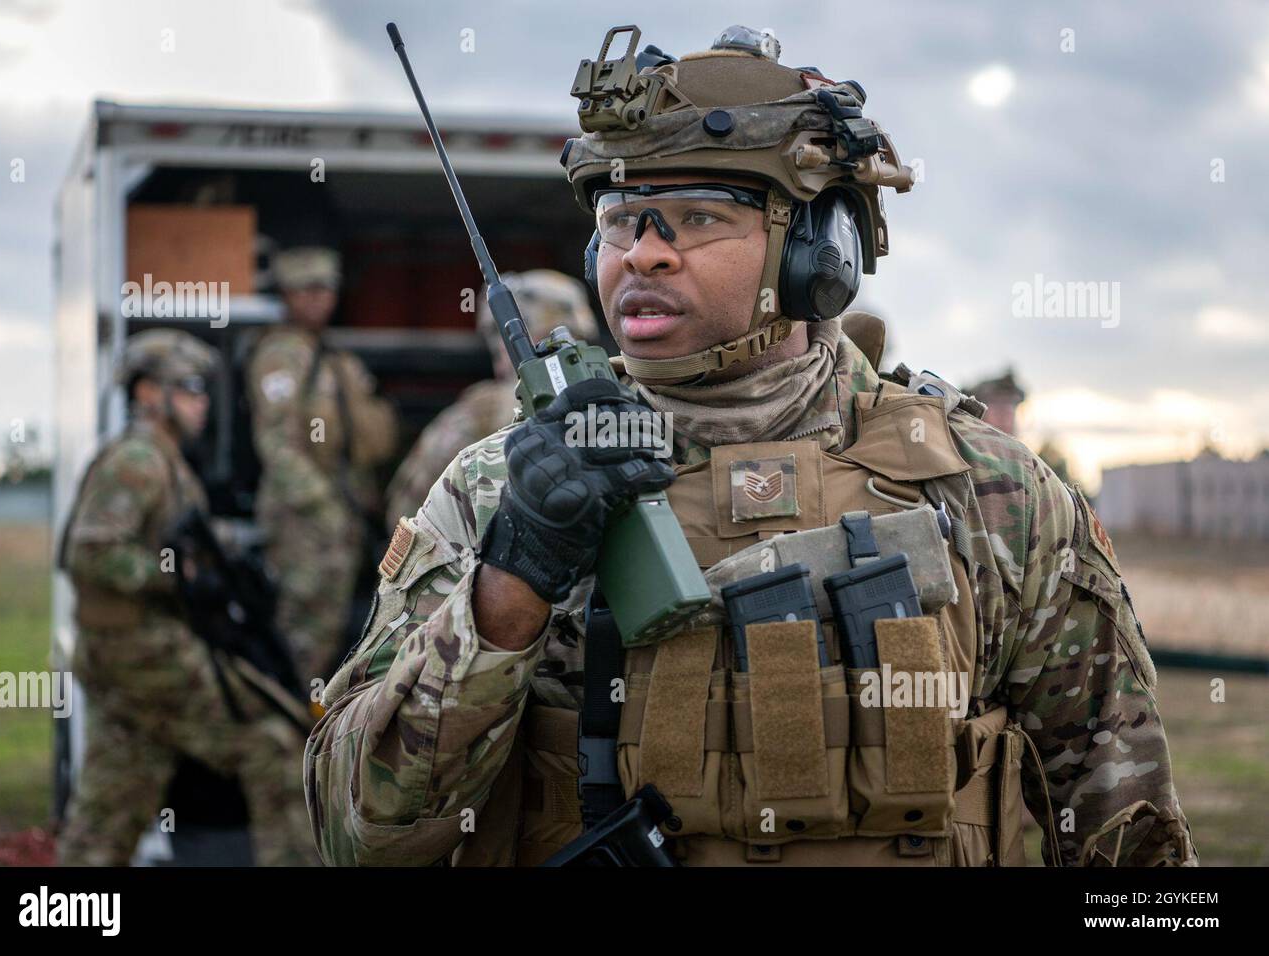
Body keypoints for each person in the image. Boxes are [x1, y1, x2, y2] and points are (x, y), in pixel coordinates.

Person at [305, 24, 1195, 867]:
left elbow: (1126, 824)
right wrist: (511, 586)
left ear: (818, 255)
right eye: (622, 219)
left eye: (696, 219)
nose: (642, 256)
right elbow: (357, 833)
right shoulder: (497, 487)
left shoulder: (990, 493)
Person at [57, 329, 317, 866]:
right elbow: (90, 550)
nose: (201, 404)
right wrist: (175, 574)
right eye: (189, 390)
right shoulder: (138, 461)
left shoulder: (167, 464)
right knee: (274, 744)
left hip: (130, 659)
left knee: (114, 803)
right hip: (142, 653)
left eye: (203, 392)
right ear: (149, 395)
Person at [247, 247, 398, 687]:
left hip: (340, 519)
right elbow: (276, 445)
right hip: (304, 524)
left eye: (327, 289)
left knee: (337, 634)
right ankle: (291, 730)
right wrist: (322, 508)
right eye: (307, 290)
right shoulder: (281, 355)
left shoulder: (329, 356)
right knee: (304, 637)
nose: (319, 299)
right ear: (288, 295)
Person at [384, 269, 599, 527]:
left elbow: (409, 509)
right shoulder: (615, 397)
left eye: (499, 332)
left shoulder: (485, 406)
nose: (496, 343)